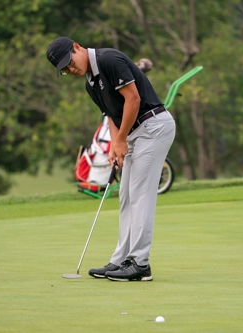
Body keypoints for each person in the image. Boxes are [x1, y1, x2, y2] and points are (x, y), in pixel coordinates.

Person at [46, 37, 175, 282]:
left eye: (69, 62)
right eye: (64, 69)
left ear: (77, 47)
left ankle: (140, 263)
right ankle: (121, 260)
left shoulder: (108, 59)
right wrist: (114, 147)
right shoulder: (90, 84)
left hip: (154, 127)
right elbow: (112, 117)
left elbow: (133, 99)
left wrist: (121, 140)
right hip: (135, 132)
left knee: (140, 194)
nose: (70, 69)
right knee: (126, 195)